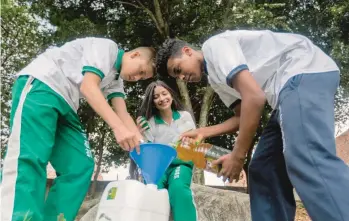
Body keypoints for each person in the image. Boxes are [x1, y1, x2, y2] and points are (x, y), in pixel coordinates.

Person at [155, 30, 349, 221]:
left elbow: (254, 98)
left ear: (188, 51)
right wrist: (203, 132)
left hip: (303, 71)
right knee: (263, 169)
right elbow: (241, 117)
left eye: (178, 69)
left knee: (305, 155)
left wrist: (237, 157)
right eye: (176, 77)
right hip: (283, 96)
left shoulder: (214, 46)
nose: (181, 77)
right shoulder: (216, 79)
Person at [1, 37, 156, 221]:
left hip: (67, 104)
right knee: (30, 156)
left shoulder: (116, 80)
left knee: (80, 166)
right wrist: (118, 128)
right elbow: (89, 87)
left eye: (142, 78)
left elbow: (123, 113)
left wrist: (144, 146)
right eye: (140, 71)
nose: (136, 78)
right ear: (135, 54)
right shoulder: (108, 48)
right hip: (43, 85)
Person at [136, 80, 197, 221]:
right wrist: (138, 133)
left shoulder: (184, 116)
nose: (162, 99)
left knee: (178, 188)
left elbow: (193, 142)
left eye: (164, 93)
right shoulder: (150, 123)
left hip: (180, 164)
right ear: (152, 102)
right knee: (152, 189)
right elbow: (146, 151)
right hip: (158, 168)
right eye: (156, 97)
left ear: (171, 94)